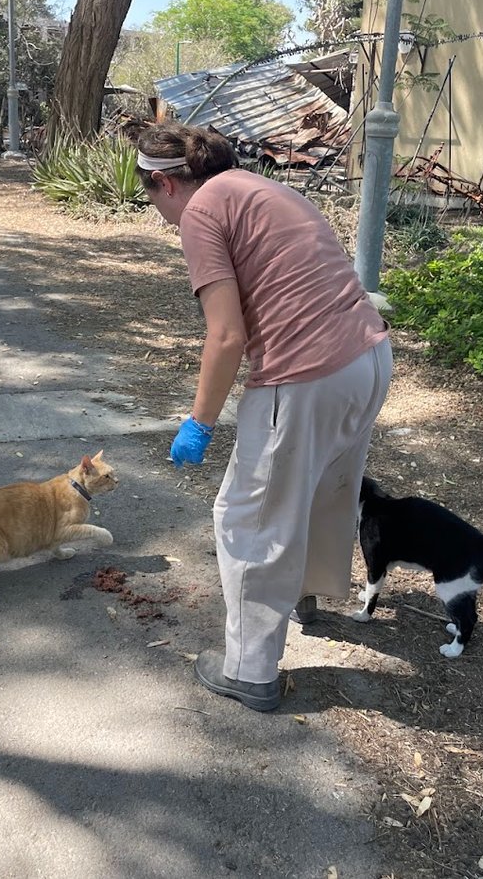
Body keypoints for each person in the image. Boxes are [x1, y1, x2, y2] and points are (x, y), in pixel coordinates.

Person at [134, 122, 392, 712]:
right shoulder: (261, 186)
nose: (156, 208)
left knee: (248, 517)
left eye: (149, 194)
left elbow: (227, 336)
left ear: (165, 183)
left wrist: (200, 422)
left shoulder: (200, 212)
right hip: (370, 356)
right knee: (324, 488)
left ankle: (250, 670)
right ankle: (305, 593)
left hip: (308, 375)